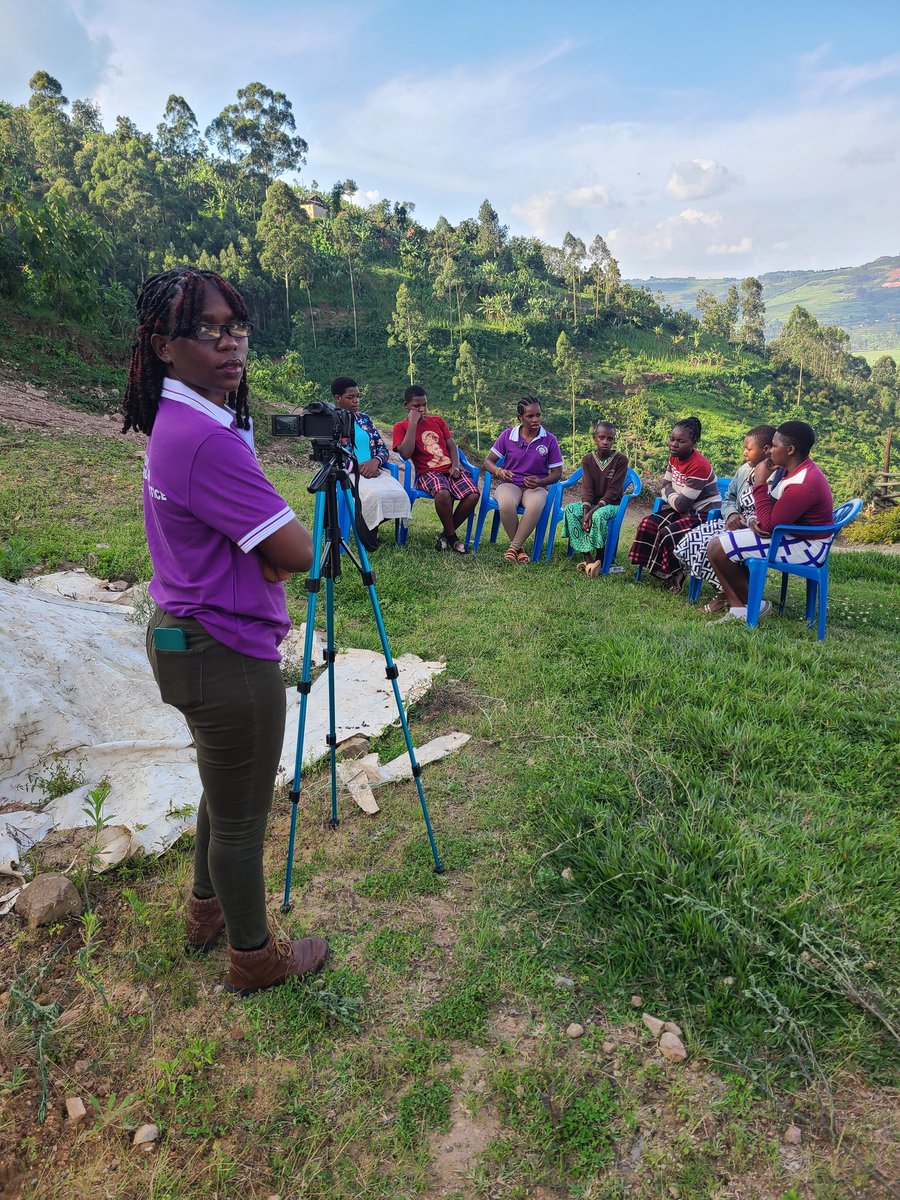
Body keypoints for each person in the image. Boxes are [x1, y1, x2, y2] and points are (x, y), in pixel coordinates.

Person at [122, 267, 328, 997]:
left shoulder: (179, 422)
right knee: (242, 818)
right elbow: (301, 552)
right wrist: (292, 542)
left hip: (186, 637)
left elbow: (251, 543)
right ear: (164, 346)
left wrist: (262, 554)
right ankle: (254, 956)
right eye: (206, 330)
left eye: (236, 327)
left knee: (222, 788)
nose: (229, 344)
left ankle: (203, 912)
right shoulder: (205, 440)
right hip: (226, 654)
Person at [706, 420, 835, 625]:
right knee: (715, 544)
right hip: (788, 533)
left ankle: (754, 606)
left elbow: (769, 525)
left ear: (790, 449)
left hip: (807, 546)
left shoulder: (803, 482)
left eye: (775, 446)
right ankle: (740, 608)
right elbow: (771, 515)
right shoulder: (788, 470)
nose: (770, 450)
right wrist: (754, 521)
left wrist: (759, 483)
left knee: (717, 547)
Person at [673, 424, 776, 612]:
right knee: (694, 537)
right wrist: (731, 514)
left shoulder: (776, 476)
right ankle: (724, 590)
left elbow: (771, 511)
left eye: (749, 449)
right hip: (736, 523)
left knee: (713, 543)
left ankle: (726, 597)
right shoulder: (744, 470)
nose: (744, 453)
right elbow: (728, 497)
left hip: (756, 528)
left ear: (766, 450)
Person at [628, 416, 719, 589]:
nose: (674, 444)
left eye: (680, 441)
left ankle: (675, 575)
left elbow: (678, 501)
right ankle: (656, 570)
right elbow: (664, 486)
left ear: (693, 442)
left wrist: (673, 497)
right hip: (682, 507)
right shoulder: (674, 457)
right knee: (647, 523)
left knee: (668, 533)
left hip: (704, 514)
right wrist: (675, 498)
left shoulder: (699, 465)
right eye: (672, 439)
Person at [392, 385, 479, 553]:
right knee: (443, 493)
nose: (422, 409)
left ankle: (445, 535)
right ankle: (453, 537)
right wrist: (412, 423)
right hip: (428, 473)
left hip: (450, 470)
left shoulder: (437, 421)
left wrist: (455, 465)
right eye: (416, 406)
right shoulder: (400, 427)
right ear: (406, 406)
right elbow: (406, 453)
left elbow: (452, 446)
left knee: (473, 495)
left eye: (424, 404)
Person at [331, 375, 411, 550]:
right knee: (374, 496)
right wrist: (359, 469)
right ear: (338, 398)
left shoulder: (364, 419)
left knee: (400, 496)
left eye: (358, 396)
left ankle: (367, 528)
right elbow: (332, 457)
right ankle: (368, 537)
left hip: (374, 471)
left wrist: (375, 462)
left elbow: (383, 448)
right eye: (350, 397)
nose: (356, 401)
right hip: (349, 474)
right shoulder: (331, 423)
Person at [483, 397, 564, 563]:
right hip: (509, 484)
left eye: (538, 415)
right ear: (520, 417)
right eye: (530, 416)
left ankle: (513, 548)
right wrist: (499, 471)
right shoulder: (508, 435)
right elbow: (487, 462)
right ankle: (519, 550)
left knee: (536, 504)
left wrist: (540, 482)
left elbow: (557, 473)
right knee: (505, 503)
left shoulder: (550, 440)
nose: (536, 420)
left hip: (535, 487)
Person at [559, 420, 628, 576]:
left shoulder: (621, 460)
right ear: (595, 438)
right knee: (570, 510)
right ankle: (588, 559)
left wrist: (592, 511)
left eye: (609, 438)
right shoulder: (588, 459)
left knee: (598, 515)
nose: (605, 442)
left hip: (612, 504)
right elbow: (587, 488)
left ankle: (600, 558)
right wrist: (585, 512)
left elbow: (614, 491)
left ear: (614, 440)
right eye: (601, 437)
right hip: (592, 504)